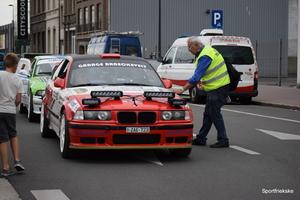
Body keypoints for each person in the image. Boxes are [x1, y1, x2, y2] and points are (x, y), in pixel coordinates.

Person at [174, 36, 231, 148]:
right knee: (208, 114)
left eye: (189, 47)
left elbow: (196, 78)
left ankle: (223, 139)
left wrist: (183, 89)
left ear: (196, 45)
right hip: (215, 88)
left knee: (214, 113)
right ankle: (201, 138)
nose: (189, 50)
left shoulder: (205, 56)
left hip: (218, 88)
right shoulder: (207, 51)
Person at [0, 53, 25, 176]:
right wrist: (12, 106)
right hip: (10, 111)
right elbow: (19, 99)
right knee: (13, 135)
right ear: (15, 66)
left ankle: (5, 167)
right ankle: (17, 160)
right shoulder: (18, 79)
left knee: (3, 138)